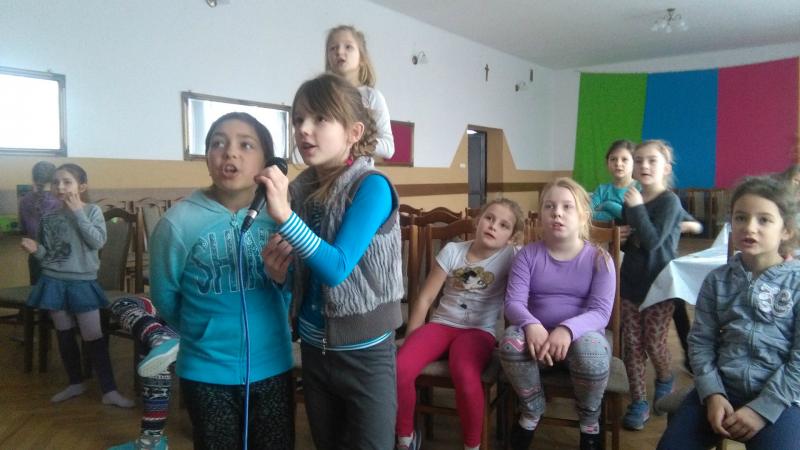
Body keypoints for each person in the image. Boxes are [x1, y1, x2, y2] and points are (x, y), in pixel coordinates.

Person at [258, 73, 403, 450]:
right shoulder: (301, 189)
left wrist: (285, 217)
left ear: (354, 132)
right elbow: (303, 277)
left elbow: (337, 268)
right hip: (314, 350)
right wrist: (278, 275)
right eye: (298, 119)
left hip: (366, 354)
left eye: (320, 118)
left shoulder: (371, 186)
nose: (304, 129)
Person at [149, 112, 294, 449]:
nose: (230, 152)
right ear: (207, 158)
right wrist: (203, 331)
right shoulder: (178, 223)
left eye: (246, 145)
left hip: (273, 364)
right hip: (206, 370)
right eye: (218, 143)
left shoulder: (281, 218)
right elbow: (165, 295)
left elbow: (293, 291)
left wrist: (280, 280)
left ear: (267, 161)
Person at [657, 176, 800, 450]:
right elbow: (700, 342)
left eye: (764, 220)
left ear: (786, 231)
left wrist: (762, 409)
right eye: (741, 218)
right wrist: (712, 393)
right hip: (721, 388)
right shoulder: (717, 280)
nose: (750, 227)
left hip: (781, 398)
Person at [395, 198, 524, 450]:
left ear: (511, 237)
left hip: (478, 332)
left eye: (504, 225)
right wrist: (411, 339)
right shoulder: (453, 250)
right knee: (400, 368)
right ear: (478, 221)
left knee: (464, 372)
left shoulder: (512, 256)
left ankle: (472, 445)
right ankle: (405, 438)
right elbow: (426, 298)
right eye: (489, 218)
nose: (493, 226)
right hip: (441, 325)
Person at [501, 178, 615, 450]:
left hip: (581, 340)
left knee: (592, 352)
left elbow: (601, 313)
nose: (557, 213)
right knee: (510, 342)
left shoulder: (600, 259)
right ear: (540, 214)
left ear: (583, 215)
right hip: (537, 341)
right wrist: (531, 324)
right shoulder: (527, 255)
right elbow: (513, 303)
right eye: (549, 206)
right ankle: (532, 409)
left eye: (567, 206)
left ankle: (589, 420)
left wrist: (566, 329)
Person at [22, 163, 133, 408]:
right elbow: (49, 255)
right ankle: (75, 382)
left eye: (67, 182)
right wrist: (35, 250)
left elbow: (97, 242)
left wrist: (78, 213)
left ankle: (109, 390)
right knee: (63, 333)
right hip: (53, 281)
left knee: (93, 335)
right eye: (55, 182)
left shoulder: (92, 211)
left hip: (82, 282)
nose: (60, 187)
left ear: (81, 187)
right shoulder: (48, 217)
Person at [619, 140, 685, 430]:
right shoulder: (631, 198)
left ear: (666, 168)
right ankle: (638, 402)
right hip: (630, 283)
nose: (644, 165)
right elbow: (633, 240)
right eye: (639, 160)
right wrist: (621, 235)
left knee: (654, 344)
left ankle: (665, 377)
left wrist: (636, 209)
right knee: (632, 345)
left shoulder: (670, 202)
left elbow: (653, 242)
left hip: (660, 285)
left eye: (652, 160)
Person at [108, 296, 179, 450]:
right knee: (122, 304)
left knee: (151, 347)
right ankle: (159, 338)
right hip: (177, 311)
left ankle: (151, 441)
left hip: (199, 320)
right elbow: (163, 294)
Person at [325, 24, 394, 160]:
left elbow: (389, 147)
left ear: (362, 58)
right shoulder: (323, 96)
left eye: (348, 47)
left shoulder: (372, 96)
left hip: (359, 169)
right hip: (326, 169)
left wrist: (355, 141)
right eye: (333, 48)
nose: (339, 52)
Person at [18, 160, 61, 284]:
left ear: (34, 178)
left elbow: (23, 228)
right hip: (58, 256)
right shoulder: (60, 200)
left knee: (37, 290)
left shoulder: (24, 200)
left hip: (34, 252)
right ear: (55, 178)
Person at [592, 139, 636, 222]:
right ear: (607, 163)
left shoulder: (639, 189)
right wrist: (615, 217)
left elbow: (633, 218)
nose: (618, 164)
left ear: (634, 163)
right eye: (613, 159)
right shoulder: (601, 190)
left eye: (624, 159)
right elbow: (586, 213)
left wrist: (607, 205)